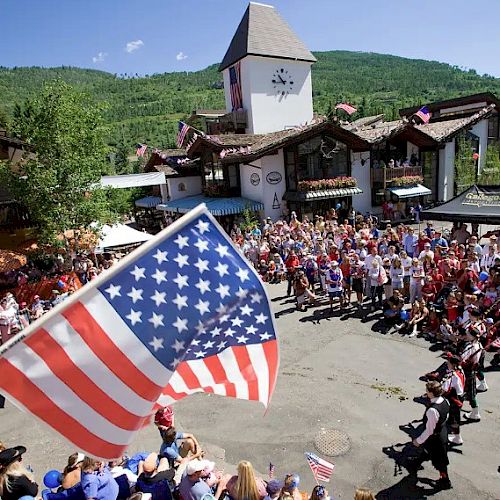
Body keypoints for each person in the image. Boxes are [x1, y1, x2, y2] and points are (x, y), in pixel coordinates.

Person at [412, 381, 452, 490]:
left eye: (427, 391)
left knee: (440, 460)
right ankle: (416, 463)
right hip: (442, 431)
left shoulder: (432, 410)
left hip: (436, 437)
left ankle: (445, 481)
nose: (425, 393)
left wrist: (418, 441)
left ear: (431, 393)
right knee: (427, 451)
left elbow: (429, 430)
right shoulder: (445, 401)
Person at [441, 355, 465, 445]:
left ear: (453, 364)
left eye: (449, 362)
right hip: (460, 396)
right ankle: (456, 436)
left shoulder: (452, 376)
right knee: (454, 417)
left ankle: (457, 438)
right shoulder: (460, 370)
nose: (447, 363)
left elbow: (444, 389)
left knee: (454, 419)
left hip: (454, 399)